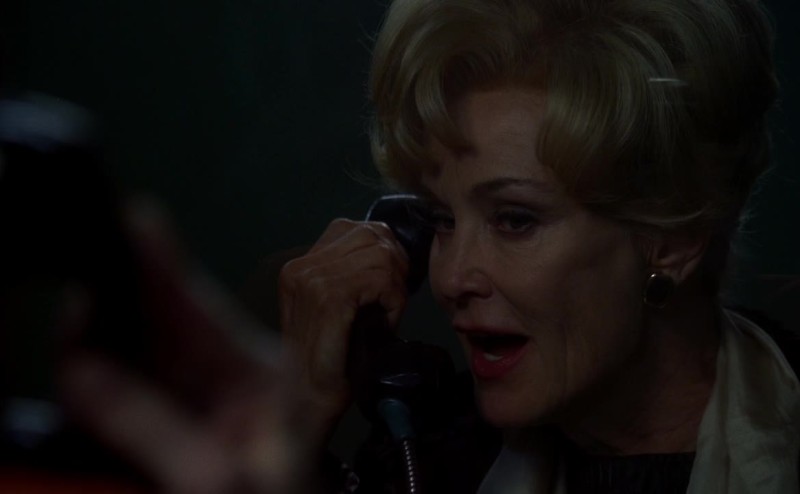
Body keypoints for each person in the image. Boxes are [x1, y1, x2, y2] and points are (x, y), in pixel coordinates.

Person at [278, 0, 795, 492]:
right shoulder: (427, 462)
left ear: (674, 238)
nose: (451, 278)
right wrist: (300, 420)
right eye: (442, 219)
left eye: (514, 220)